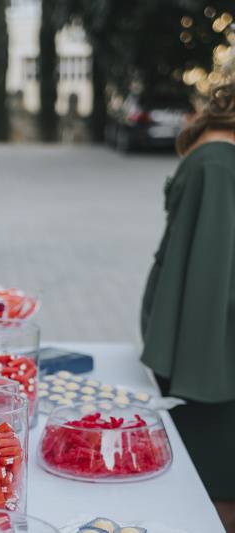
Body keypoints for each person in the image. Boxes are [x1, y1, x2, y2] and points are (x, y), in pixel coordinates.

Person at [141, 82, 235, 532]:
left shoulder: (217, 159)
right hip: (213, 378)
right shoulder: (217, 164)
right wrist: (195, 385)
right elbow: (206, 282)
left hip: (214, 370)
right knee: (213, 507)